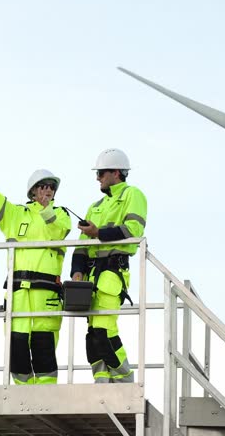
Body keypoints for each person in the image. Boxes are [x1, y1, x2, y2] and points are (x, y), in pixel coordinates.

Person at [0, 159, 71, 385]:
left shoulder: (61, 214)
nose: (48, 190)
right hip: (18, 295)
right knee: (17, 350)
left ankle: (46, 398)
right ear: (33, 191)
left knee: (44, 348)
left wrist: (46, 211)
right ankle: (24, 396)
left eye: (52, 187)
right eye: (44, 186)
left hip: (46, 295)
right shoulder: (16, 214)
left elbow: (58, 231)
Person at [71, 148, 147, 383]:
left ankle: (125, 381)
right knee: (92, 336)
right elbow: (81, 246)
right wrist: (77, 273)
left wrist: (99, 232)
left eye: (101, 173)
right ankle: (102, 384)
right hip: (91, 278)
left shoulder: (133, 195)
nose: (98, 178)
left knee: (103, 333)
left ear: (116, 172)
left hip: (113, 274)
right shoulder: (95, 206)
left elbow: (133, 231)